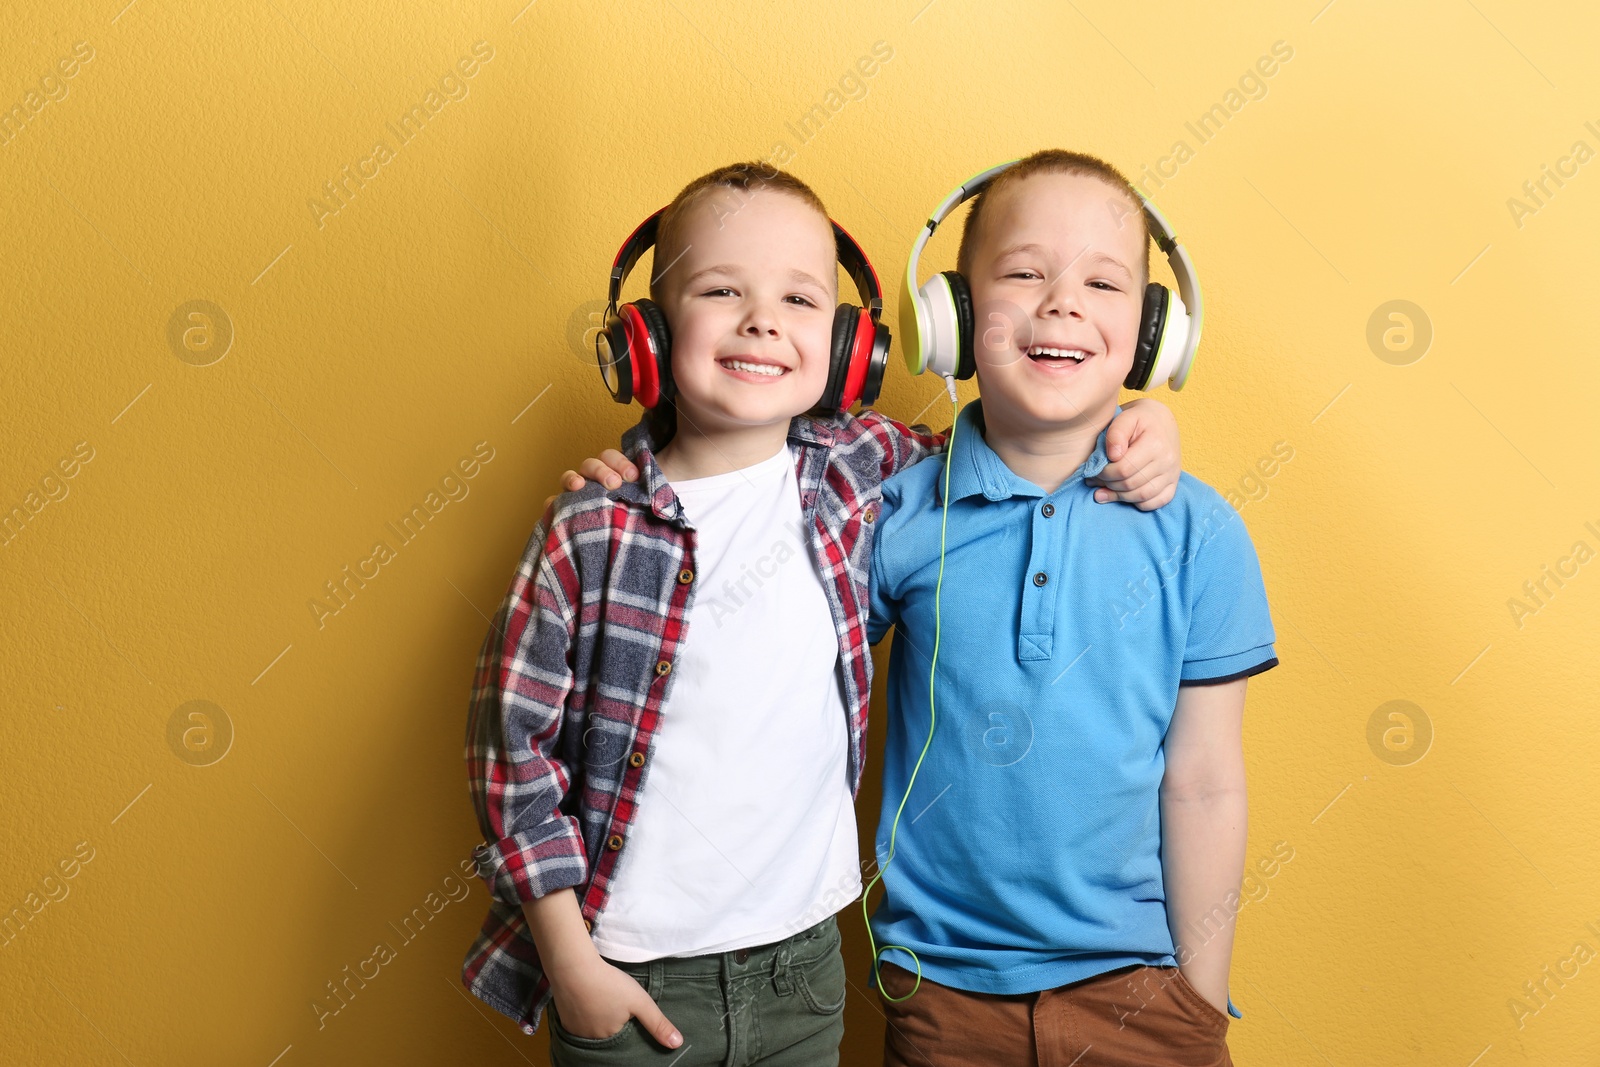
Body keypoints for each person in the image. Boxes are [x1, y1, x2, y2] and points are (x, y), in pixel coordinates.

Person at [462, 161, 1183, 1065]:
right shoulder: (590, 527)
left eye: (800, 299)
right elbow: (508, 755)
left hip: (804, 970)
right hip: (628, 968)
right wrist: (570, 962)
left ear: (849, 347)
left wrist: (1142, 422)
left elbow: (1022, 443)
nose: (763, 319)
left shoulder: (867, 473)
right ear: (643, 336)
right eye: (722, 290)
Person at [865, 150, 1278, 1067]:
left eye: (1103, 281)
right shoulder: (898, 510)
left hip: (1144, 994)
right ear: (956, 316)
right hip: (944, 992)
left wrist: (1198, 1005)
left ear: (1151, 334)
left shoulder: (1200, 535)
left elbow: (1206, 780)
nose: (1062, 303)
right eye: (1023, 273)